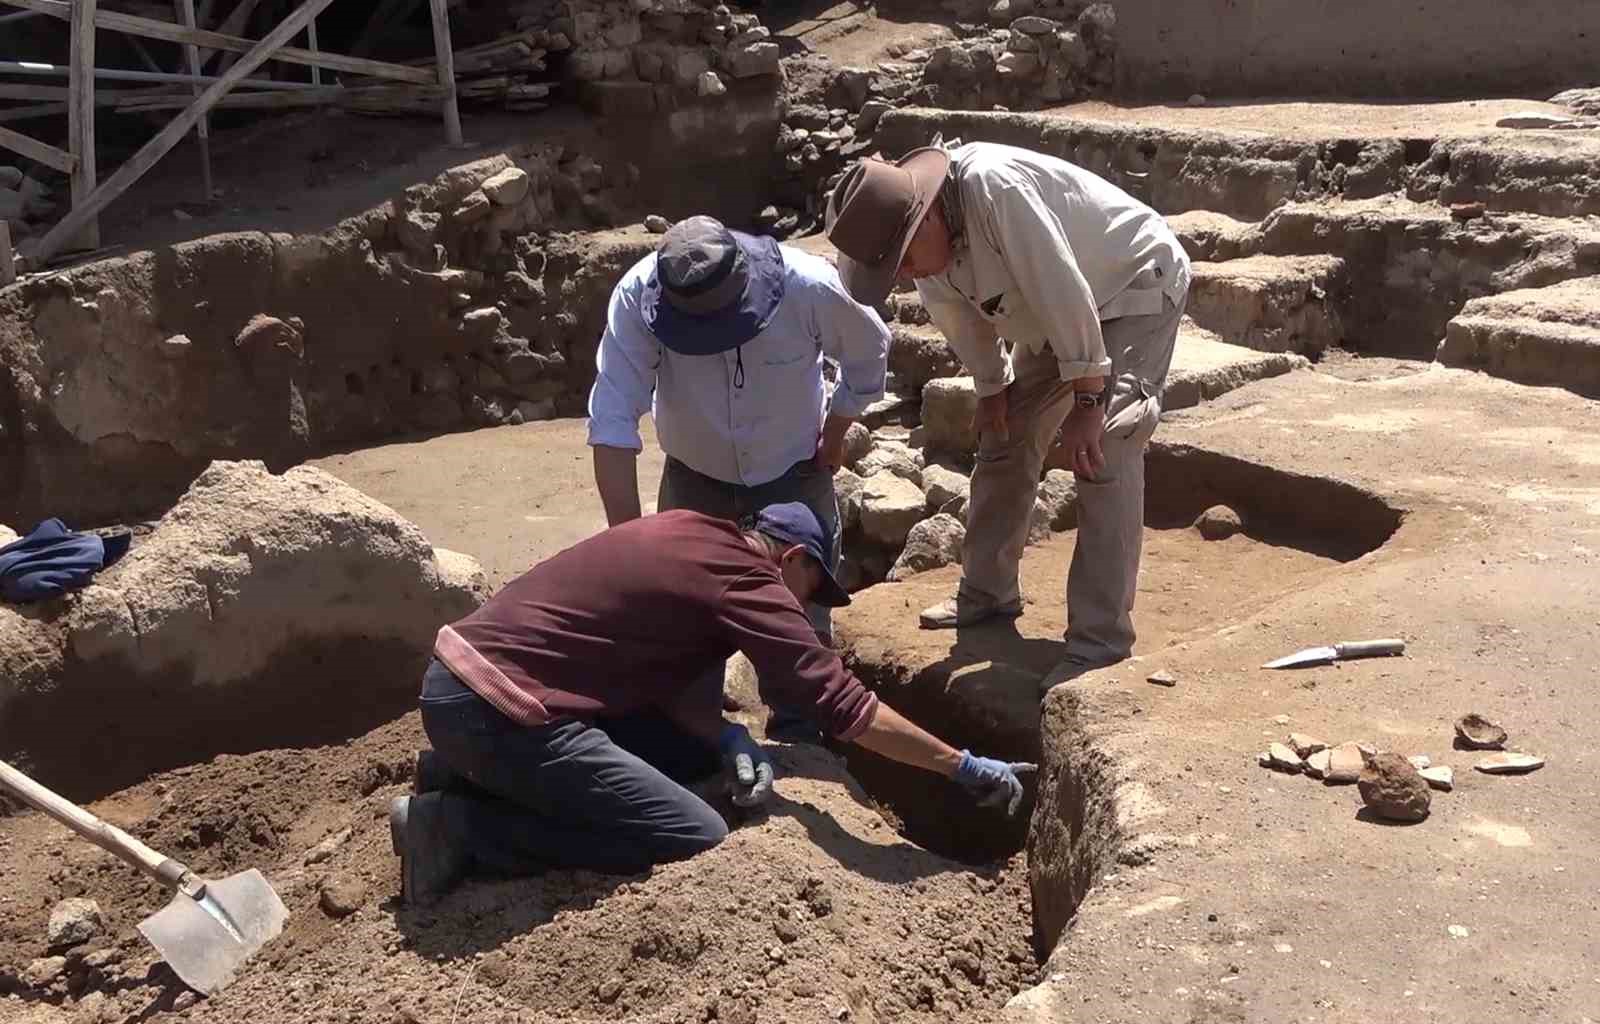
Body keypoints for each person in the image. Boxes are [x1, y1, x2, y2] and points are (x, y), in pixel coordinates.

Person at [389, 502, 1035, 904]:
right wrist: (959, 764)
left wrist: (728, 738)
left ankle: (452, 777)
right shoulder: (749, 581)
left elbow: (668, 687)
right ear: (794, 557)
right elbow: (843, 704)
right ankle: (458, 831)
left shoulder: (692, 534)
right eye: (810, 589)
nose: (803, 607)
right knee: (691, 830)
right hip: (501, 713)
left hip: (457, 689)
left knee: (684, 755)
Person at [824, 139, 1191, 688]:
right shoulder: (920, 238)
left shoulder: (996, 191)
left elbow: (1066, 293)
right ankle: (987, 594)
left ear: (924, 219)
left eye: (903, 261)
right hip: (1051, 314)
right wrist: (992, 387)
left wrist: (1089, 402)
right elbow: (960, 316)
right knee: (1003, 434)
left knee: (1106, 446)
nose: (902, 276)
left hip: (1131, 286)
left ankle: (1100, 642)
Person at [586, 214, 891, 738]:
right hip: (694, 479)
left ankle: (803, 744)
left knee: (801, 621)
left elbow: (870, 351)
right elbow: (612, 420)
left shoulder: (808, 285)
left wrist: (835, 433)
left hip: (794, 477)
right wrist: (628, 545)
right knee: (680, 621)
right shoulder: (638, 296)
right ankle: (697, 740)